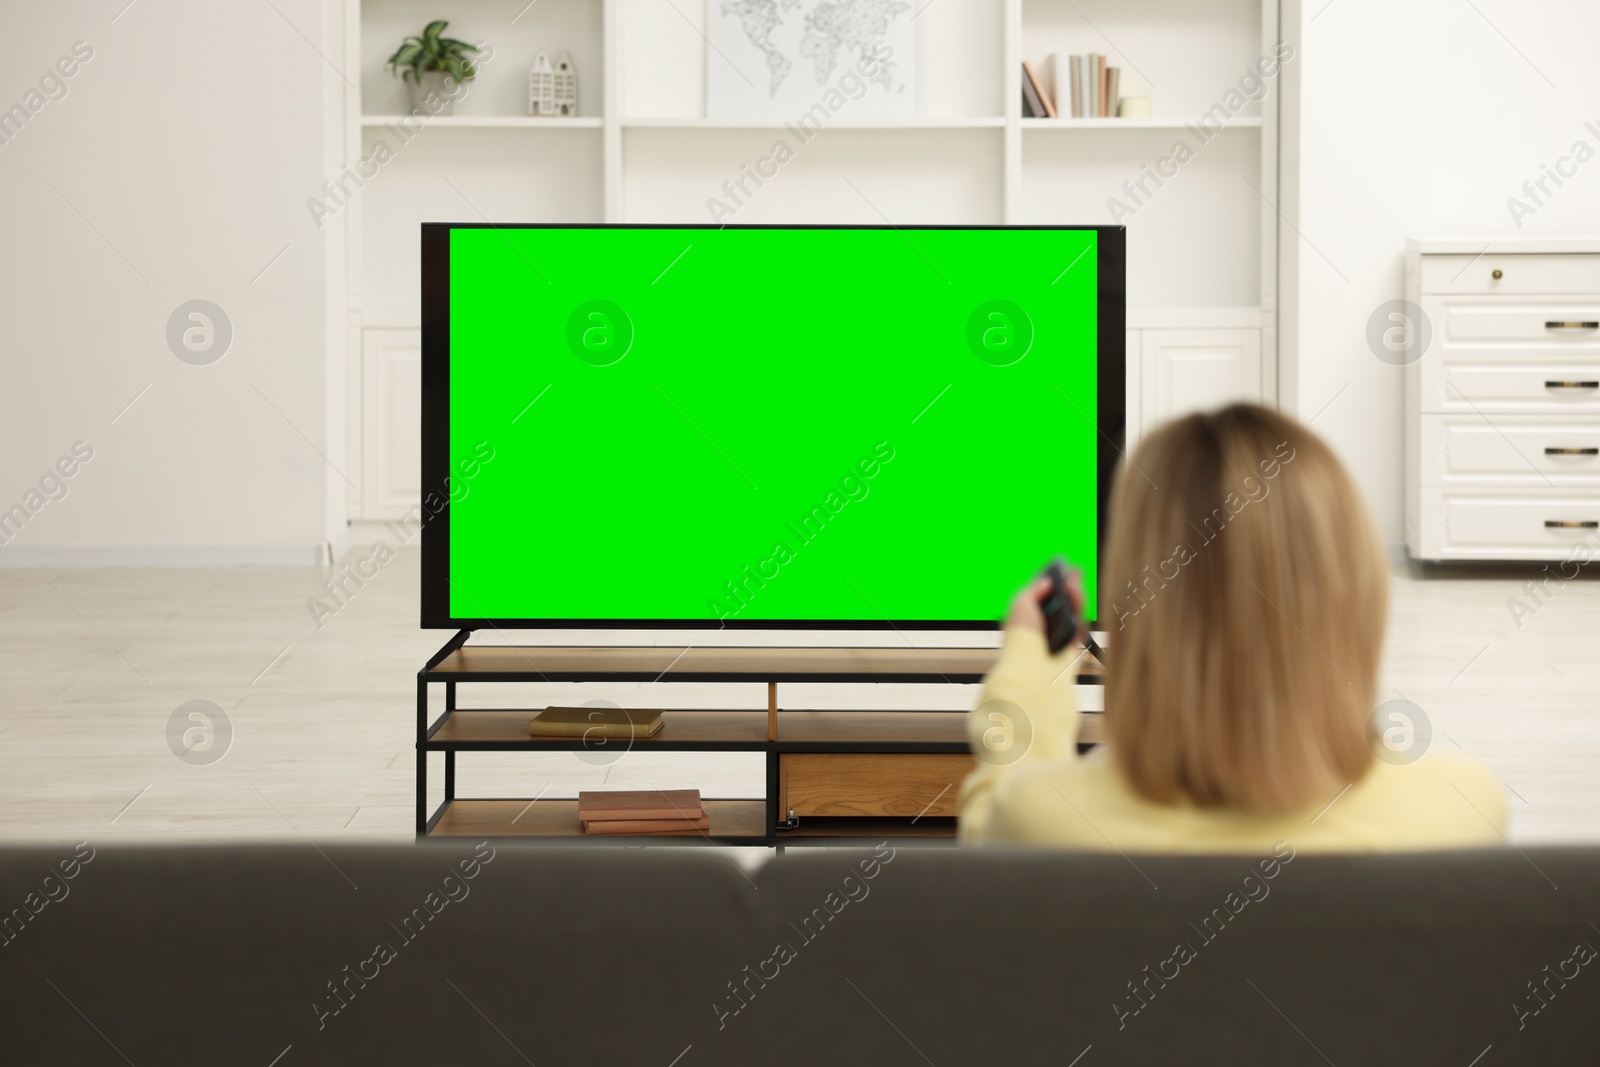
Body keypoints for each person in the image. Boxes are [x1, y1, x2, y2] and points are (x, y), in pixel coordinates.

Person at [959, 404, 1504, 851]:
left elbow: (992, 824)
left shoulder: (1041, 824)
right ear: (1357, 598)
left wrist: (1033, 660)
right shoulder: (1461, 813)